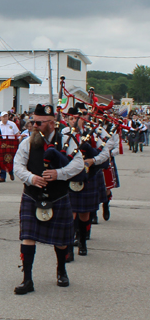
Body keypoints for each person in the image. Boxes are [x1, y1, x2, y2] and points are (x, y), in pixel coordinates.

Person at [13, 104, 84, 294]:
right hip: (32, 194)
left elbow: (79, 164)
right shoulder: (27, 142)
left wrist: (59, 173)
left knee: (61, 241)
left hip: (58, 195)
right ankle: (27, 279)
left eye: (38, 122)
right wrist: (31, 178)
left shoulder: (67, 141)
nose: (34, 125)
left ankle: (61, 270)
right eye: (32, 121)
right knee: (27, 236)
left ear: (51, 123)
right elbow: (17, 166)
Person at [62, 105, 111, 258]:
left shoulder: (95, 133)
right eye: (71, 118)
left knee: (84, 213)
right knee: (71, 213)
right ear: (67, 119)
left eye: (78, 118)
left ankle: (82, 241)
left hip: (89, 176)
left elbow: (108, 151)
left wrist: (93, 160)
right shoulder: (63, 134)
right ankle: (69, 246)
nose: (75, 121)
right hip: (70, 177)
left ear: (84, 118)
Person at [0, 111, 20, 182]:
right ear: (0, 117)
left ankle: (11, 172)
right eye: (3, 116)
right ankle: (2, 176)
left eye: (6, 116)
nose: (5, 118)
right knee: (2, 159)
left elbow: (17, 133)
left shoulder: (12, 124)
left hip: (11, 144)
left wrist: (19, 139)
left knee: (10, 159)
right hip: (2, 144)